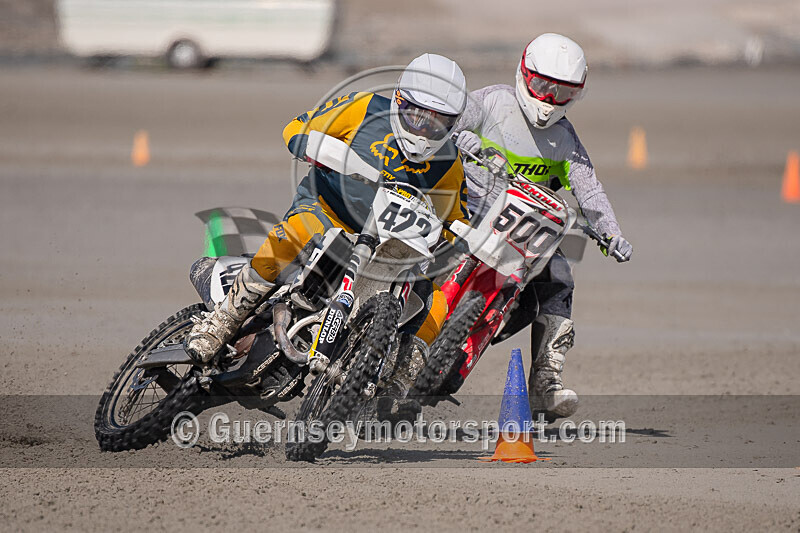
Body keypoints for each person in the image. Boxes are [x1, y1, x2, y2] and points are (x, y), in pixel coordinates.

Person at [186, 54, 471, 401]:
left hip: (385, 247)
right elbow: (298, 127)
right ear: (399, 100)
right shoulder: (364, 108)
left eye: (439, 122)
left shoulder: (450, 163)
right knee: (294, 234)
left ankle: (399, 382)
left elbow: (456, 219)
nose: (425, 129)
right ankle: (225, 320)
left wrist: (461, 238)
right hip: (326, 211)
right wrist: (310, 145)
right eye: (418, 116)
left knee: (435, 299)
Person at [452, 33, 633, 420]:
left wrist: (612, 233)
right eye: (543, 86)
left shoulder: (565, 140)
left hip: (524, 232)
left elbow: (589, 190)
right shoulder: (491, 102)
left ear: (576, 95)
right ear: (523, 73)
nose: (549, 100)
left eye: (562, 93)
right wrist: (462, 139)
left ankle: (545, 382)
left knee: (560, 278)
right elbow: (443, 122)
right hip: (464, 210)